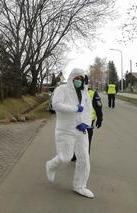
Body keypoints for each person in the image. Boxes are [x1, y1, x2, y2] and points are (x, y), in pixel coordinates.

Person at [46, 68, 94, 198]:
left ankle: (79, 186)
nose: (79, 81)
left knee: (84, 159)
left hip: (80, 130)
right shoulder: (62, 89)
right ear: (72, 77)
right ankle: (51, 165)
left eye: (81, 79)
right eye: (76, 78)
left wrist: (86, 123)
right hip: (65, 130)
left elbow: (88, 110)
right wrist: (74, 108)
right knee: (65, 157)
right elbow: (56, 104)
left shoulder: (85, 93)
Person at [71, 75, 103, 161]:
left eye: (80, 80)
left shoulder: (92, 93)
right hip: (75, 120)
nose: (77, 81)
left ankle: (84, 159)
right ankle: (75, 154)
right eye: (76, 79)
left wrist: (100, 119)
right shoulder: (72, 92)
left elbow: (98, 107)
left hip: (87, 121)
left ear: (85, 82)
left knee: (86, 141)